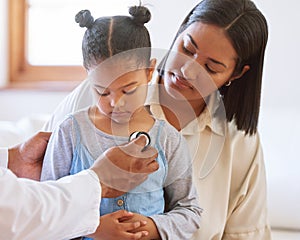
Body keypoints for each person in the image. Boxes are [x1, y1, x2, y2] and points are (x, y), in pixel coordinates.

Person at [43, 0, 271, 239]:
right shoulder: (91, 99)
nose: (187, 70)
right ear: (180, 32)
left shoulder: (240, 142)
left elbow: (244, 234)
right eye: (187, 49)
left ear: (235, 74)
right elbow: (38, 200)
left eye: (210, 67)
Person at [41, 5, 202, 240]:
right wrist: (92, 228)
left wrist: (151, 226)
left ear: (149, 71)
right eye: (102, 92)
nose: (115, 103)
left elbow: (190, 211)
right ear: (87, 75)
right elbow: (45, 208)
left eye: (128, 90)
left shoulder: (167, 138)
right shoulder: (70, 132)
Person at [0, 131, 159, 240]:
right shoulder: (71, 127)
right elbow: (13, 215)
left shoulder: (166, 136)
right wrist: (100, 182)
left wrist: (13, 159)